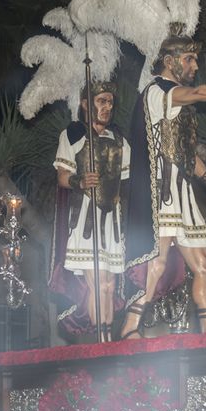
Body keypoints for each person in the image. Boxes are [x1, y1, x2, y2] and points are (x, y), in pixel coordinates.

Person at [120, 35, 206, 339]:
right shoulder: (157, 92)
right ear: (169, 62)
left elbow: (186, 155)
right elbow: (200, 93)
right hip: (159, 192)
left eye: (195, 59)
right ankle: (130, 327)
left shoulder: (179, 105)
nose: (195, 65)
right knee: (159, 260)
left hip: (183, 195)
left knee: (204, 264)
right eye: (189, 59)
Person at [51, 79, 132, 343]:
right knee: (97, 284)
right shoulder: (73, 134)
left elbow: (127, 177)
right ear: (86, 104)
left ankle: (107, 340)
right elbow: (62, 176)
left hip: (111, 222)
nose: (107, 107)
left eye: (110, 102)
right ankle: (102, 343)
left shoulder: (118, 137)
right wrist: (80, 181)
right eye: (101, 101)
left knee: (108, 285)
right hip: (85, 219)